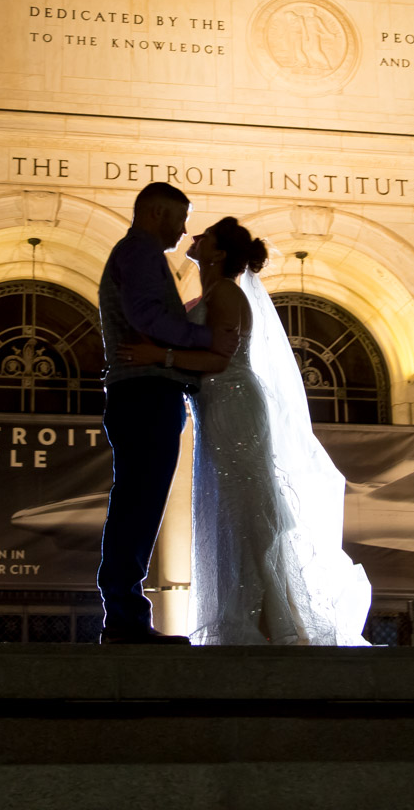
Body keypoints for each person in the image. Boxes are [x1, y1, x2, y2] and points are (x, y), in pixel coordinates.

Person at [119, 216, 371, 645]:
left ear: (218, 253)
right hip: (214, 407)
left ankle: (269, 622)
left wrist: (159, 357)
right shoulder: (212, 293)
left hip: (233, 405)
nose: (195, 237)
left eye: (206, 235)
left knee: (246, 506)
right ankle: (260, 618)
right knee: (229, 509)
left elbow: (219, 359)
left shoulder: (228, 294)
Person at [97, 182, 237, 645]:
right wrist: (205, 341)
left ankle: (125, 613)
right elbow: (148, 318)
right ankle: (124, 616)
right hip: (143, 391)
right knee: (138, 503)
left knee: (138, 502)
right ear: (156, 212)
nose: (183, 231)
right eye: (180, 218)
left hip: (143, 391)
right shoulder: (139, 253)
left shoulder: (139, 253)